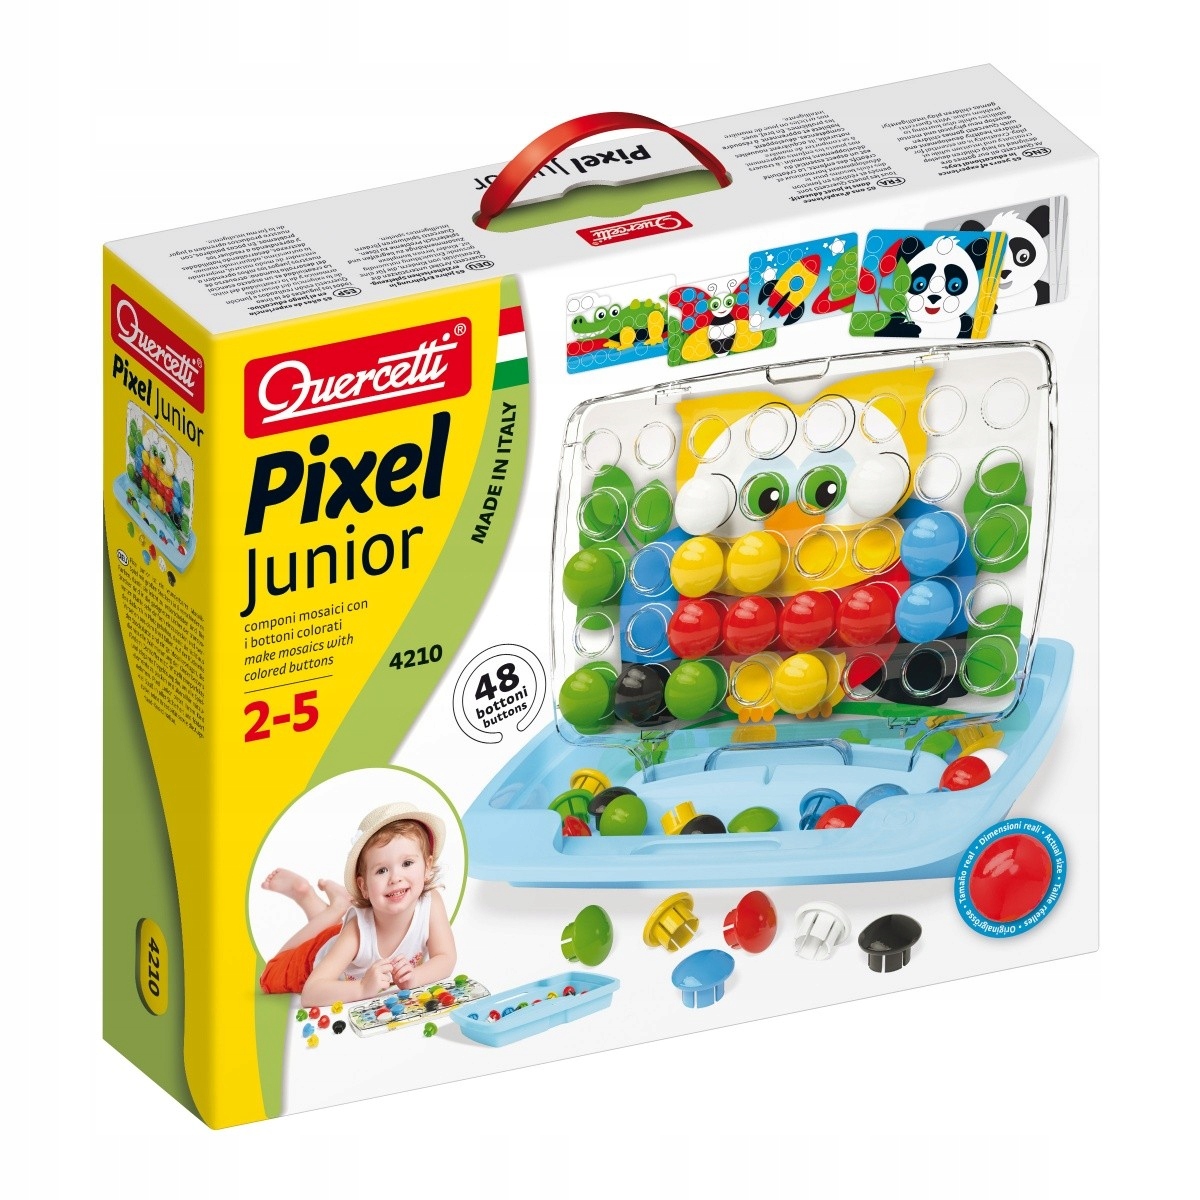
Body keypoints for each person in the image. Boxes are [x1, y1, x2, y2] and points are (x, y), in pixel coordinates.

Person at [259, 801, 456, 1006]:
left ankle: (336, 906)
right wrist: (362, 987)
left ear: (427, 867)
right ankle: (318, 901)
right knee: (270, 974)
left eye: (407, 863)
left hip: (340, 942)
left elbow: (445, 957)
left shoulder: (430, 902)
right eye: (381, 870)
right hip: (315, 959)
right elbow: (311, 992)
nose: (395, 878)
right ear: (363, 886)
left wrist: (415, 977)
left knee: (334, 933)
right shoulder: (356, 931)